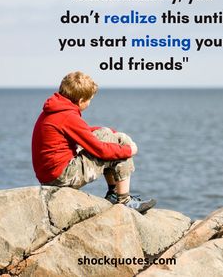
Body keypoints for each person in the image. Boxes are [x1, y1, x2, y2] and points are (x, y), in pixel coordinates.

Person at [32, 71, 156, 213]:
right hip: (62, 177)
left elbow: (81, 132)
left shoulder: (55, 110)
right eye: (90, 99)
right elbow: (100, 150)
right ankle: (124, 199)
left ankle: (113, 194)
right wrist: (129, 150)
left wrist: (108, 131)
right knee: (121, 147)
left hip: (50, 174)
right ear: (80, 101)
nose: (90, 102)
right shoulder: (67, 116)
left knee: (107, 134)